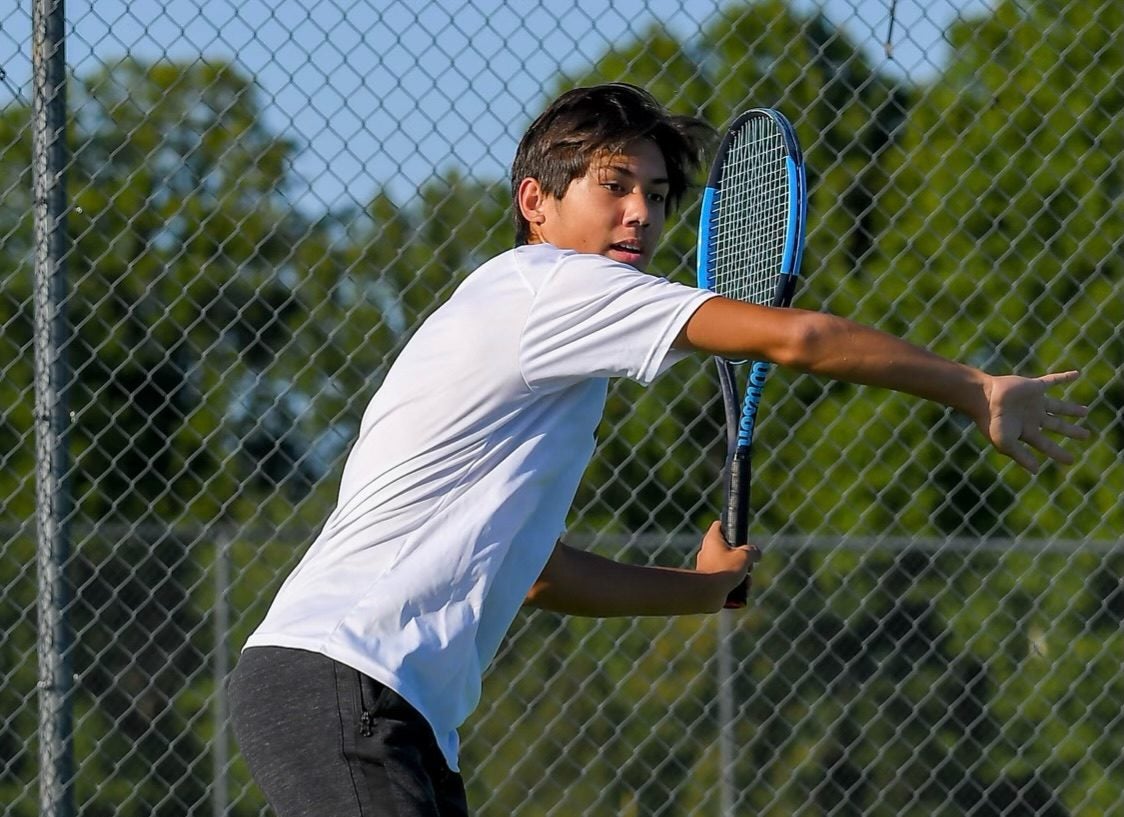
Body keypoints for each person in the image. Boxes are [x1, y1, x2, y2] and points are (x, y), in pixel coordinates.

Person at [226, 83, 1088, 817]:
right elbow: (798, 337)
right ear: (537, 202)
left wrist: (701, 591)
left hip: (352, 694)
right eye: (615, 185)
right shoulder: (555, 288)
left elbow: (538, 571)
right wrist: (973, 387)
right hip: (347, 680)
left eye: (660, 191)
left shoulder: (526, 326)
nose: (642, 210)